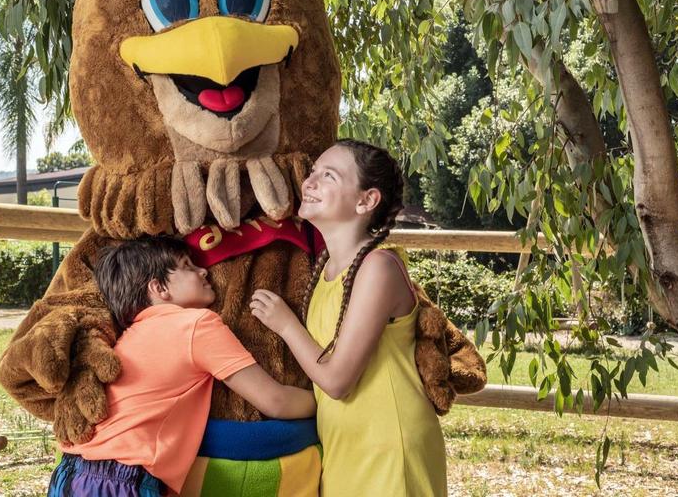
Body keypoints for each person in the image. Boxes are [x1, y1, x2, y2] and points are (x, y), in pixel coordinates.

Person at [249, 138, 448, 496]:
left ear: (366, 200)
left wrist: (285, 325)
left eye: (329, 176)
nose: (309, 183)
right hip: (344, 447)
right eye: (312, 173)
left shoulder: (379, 268)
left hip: (389, 446)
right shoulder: (325, 269)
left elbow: (338, 381)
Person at [48, 236, 317, 497]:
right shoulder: (196, 324)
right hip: (120, 480)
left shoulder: (128, 335)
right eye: (187, 266)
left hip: (69, 470)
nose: (203, 271)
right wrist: (326, 401)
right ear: (159, 288)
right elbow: (275, 401)